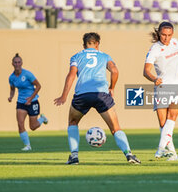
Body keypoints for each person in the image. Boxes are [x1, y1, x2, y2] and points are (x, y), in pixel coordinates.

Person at [54, 32, 141, 165]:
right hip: (102, 94)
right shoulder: (105, 56)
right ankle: (129, 154)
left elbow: (71, 75)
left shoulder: (76, 56)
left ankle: (74, 157)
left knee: (73, 122)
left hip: (82, 95)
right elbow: (115, 71)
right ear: (97, 44)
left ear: (84, 45)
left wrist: (64, 95)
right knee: (115, 128)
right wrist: (112, 87)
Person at [143, 21, 178, 161]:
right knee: (163, 123)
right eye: (163, 35)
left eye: (169, 35)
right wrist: (154, 79)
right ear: (158, 33)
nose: (166, 38)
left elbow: (176, 51)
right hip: (162, 86)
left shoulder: (174, 42)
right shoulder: (154, 49)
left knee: (172, 118)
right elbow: (146, 71)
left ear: (172, 34)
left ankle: (161, 148)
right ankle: (173, 153)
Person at [8, 53, 48, 151]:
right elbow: (12, 89)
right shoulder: (11, 77)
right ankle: (27, 146)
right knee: (20, 123)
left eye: (19, 62)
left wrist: (30, 98)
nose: (17, 64)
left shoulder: (27, 74)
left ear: (21, 63)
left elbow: (38, 86)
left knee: (33, 127)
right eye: (15, 62)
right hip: (21, 102)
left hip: (33, 102)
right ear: (12, 64)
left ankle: (42, 119)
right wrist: (11, 97)